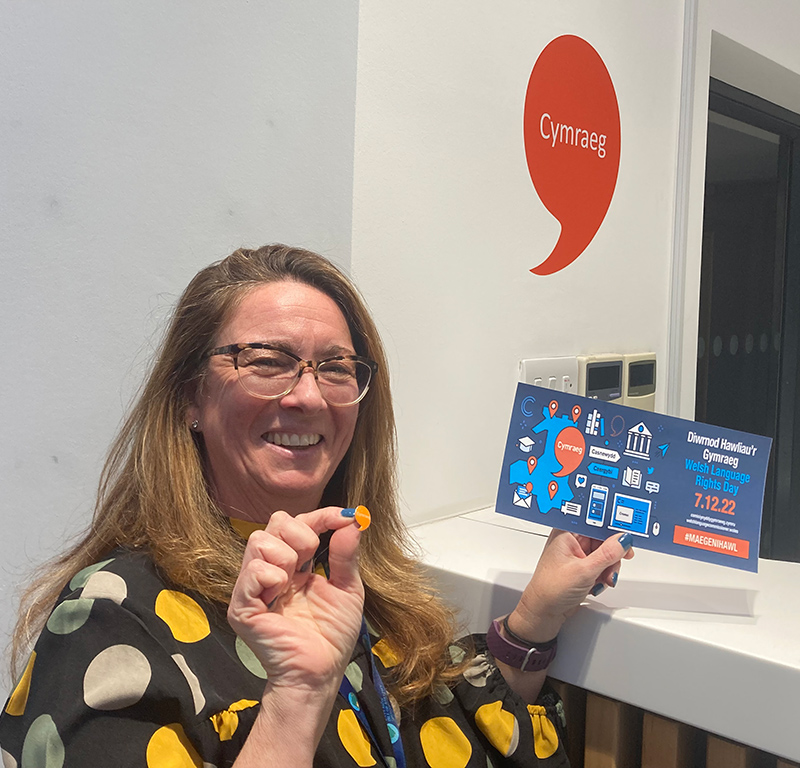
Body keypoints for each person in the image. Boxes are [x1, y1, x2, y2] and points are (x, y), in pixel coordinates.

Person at [0, 244, 633, 767]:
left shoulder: (354, 574)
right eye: (268, 361)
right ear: (190, 396)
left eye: (335, 368)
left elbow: (440, 737)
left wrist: (534, 617)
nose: (307, 396)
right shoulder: (111, 618)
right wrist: (296, 697)